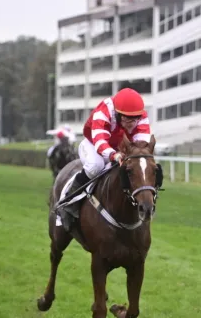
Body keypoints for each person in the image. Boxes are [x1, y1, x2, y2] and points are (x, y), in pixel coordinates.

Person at [58, 87, 152, 231]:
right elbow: (100, 141)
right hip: (93, 144)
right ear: (119, 114)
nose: (132, 123)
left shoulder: (140, 115)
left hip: (120, 148)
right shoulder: (104, 111)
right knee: (96, 165)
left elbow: (141, 146)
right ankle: (68, 202)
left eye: (135, 119)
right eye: (127, 118)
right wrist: (114, 155)